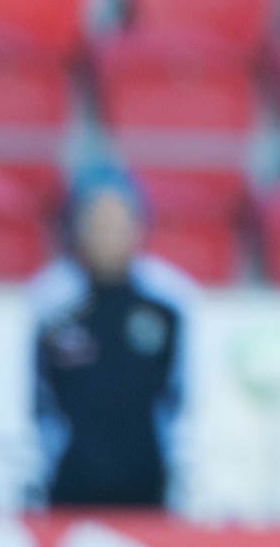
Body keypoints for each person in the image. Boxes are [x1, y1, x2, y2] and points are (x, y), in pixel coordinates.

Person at [30, 168, 194, 509]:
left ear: (138, 227)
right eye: (99, 222)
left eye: (119, 222)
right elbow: (38, 404)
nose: (109, 233)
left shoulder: (168, 305)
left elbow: (181, 400)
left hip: (147, 487)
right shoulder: (52, 307)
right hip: (70, 489)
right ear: (79, 228)